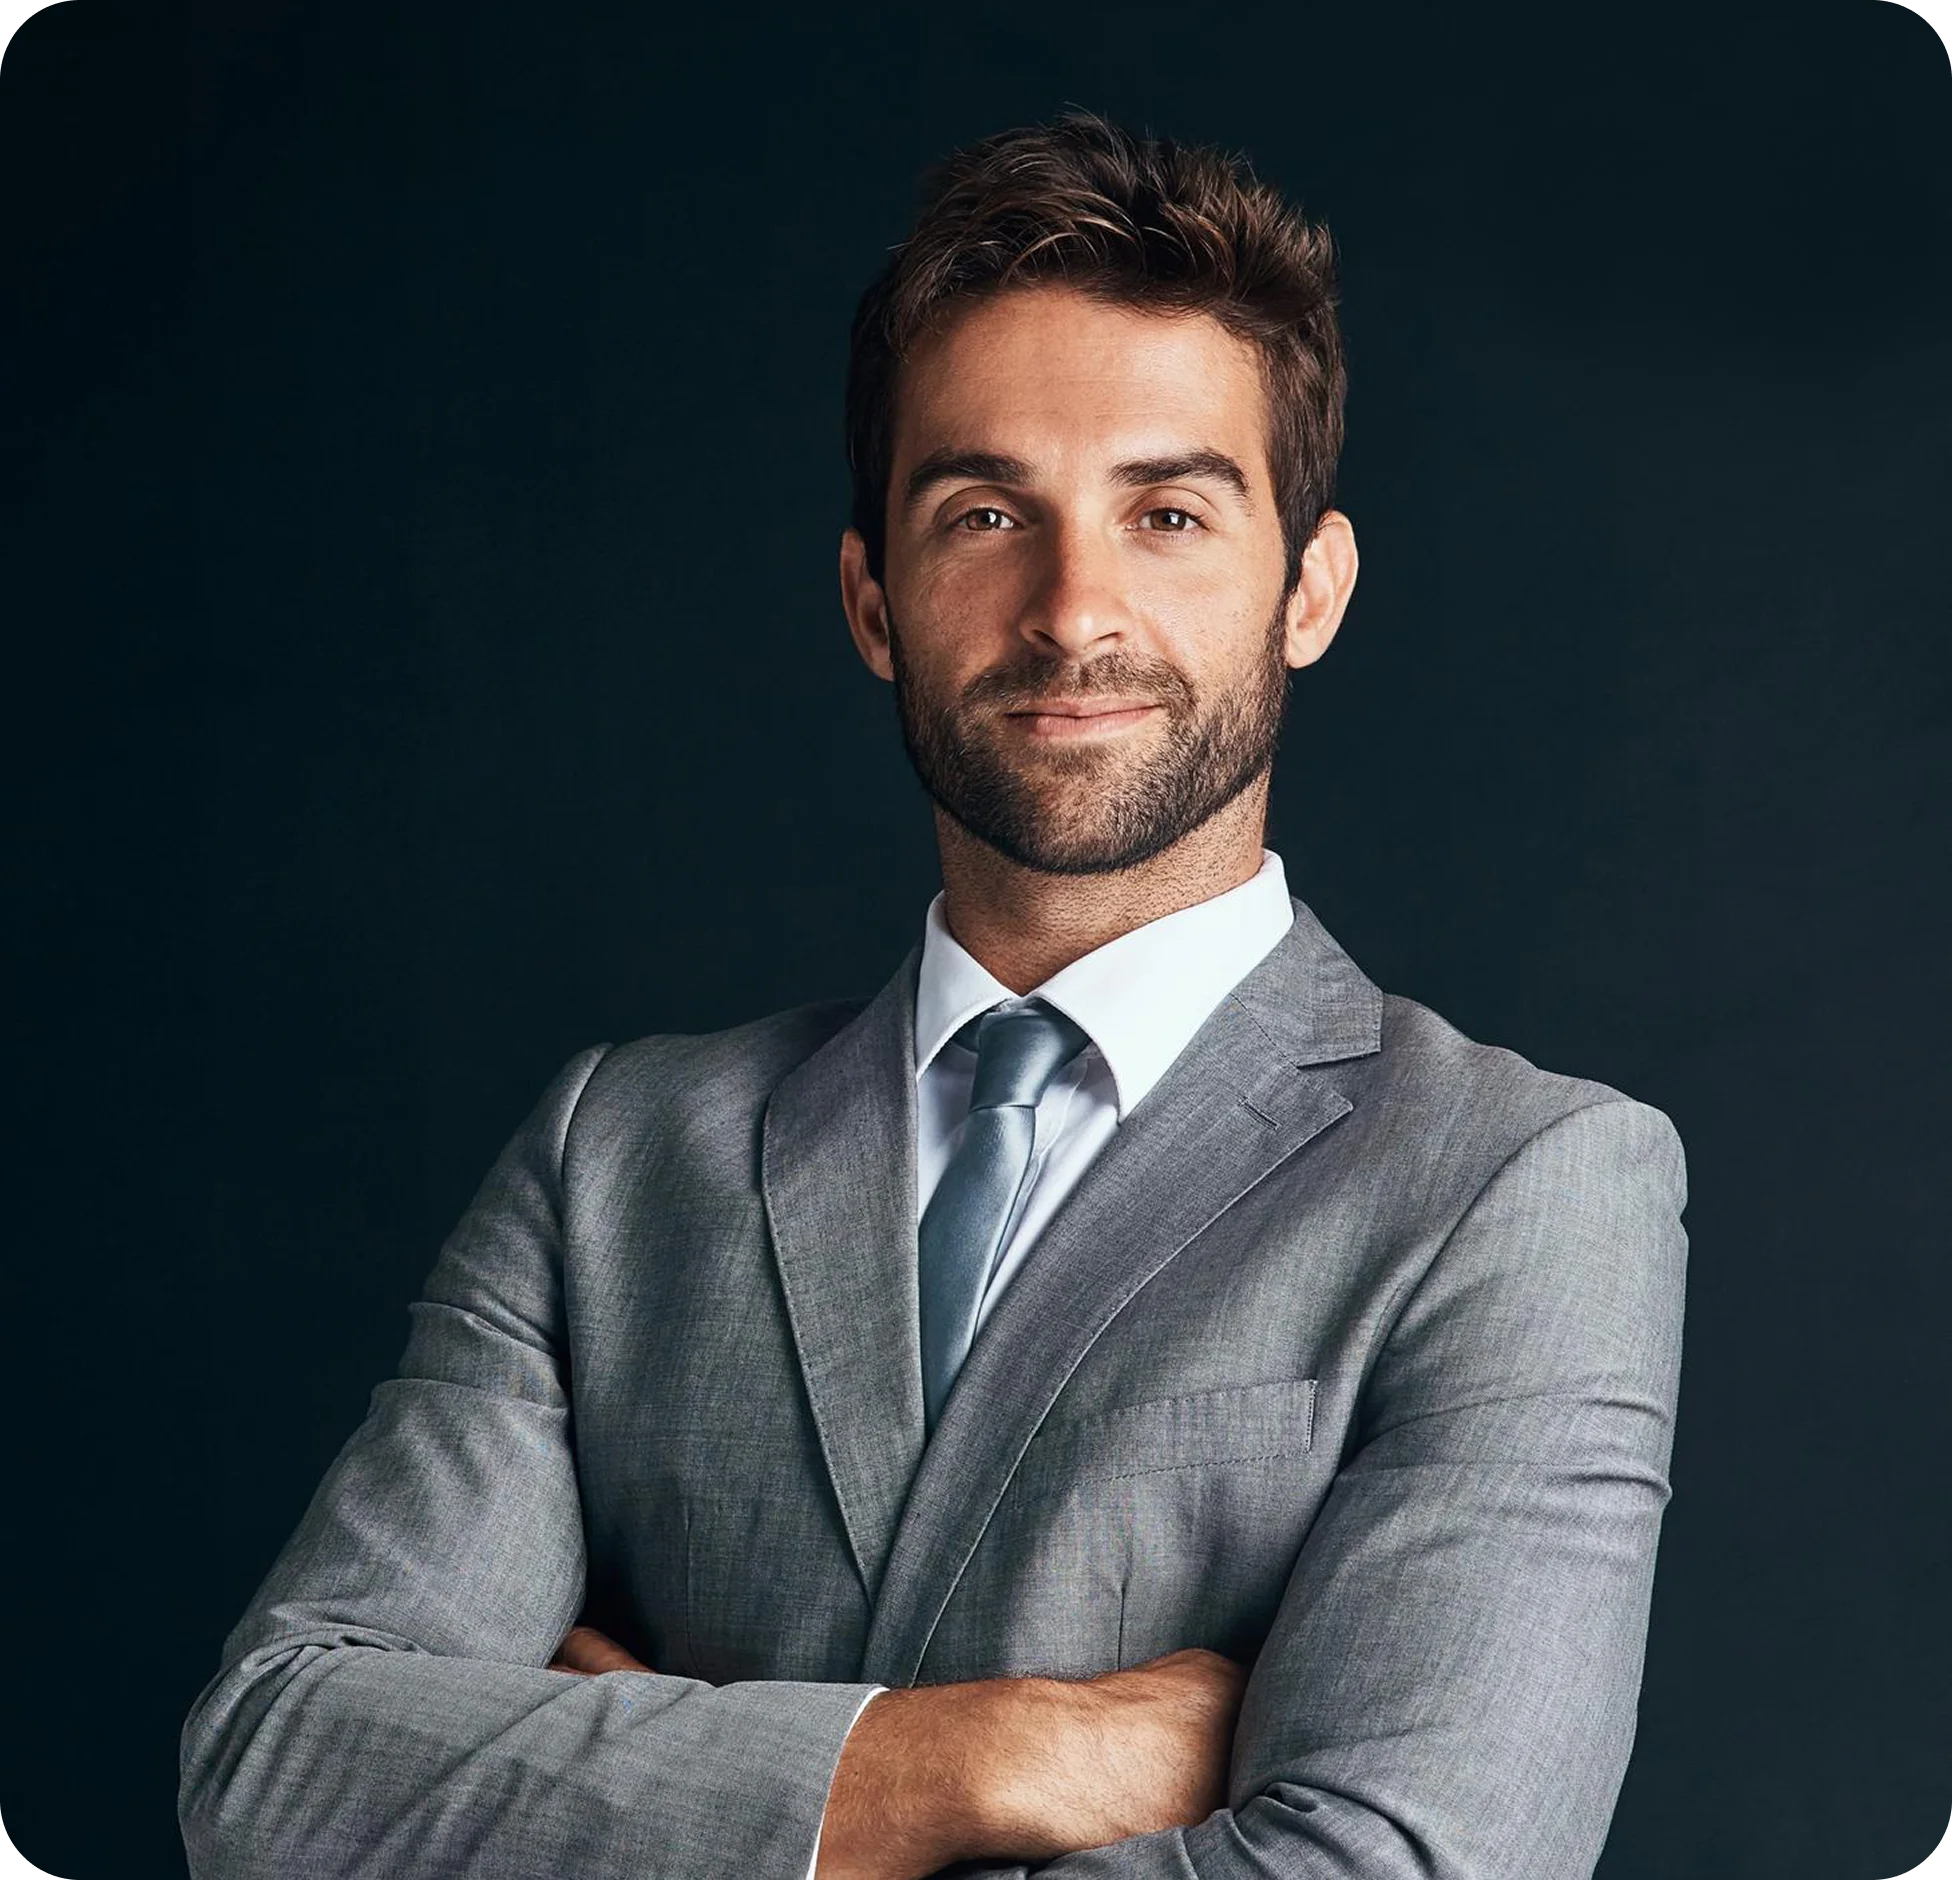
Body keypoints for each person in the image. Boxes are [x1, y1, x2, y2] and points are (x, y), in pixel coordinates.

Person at [178, 112, 1688, 1880]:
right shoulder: (617, 1157)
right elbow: (274, 1776)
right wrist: (993, 1759)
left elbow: (1395, 1867)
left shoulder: (1520, 1185)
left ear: (1311, 589)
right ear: (872, 599)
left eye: (1169, 513)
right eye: (985, 514)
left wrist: (656, 1796)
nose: (1074, 610)